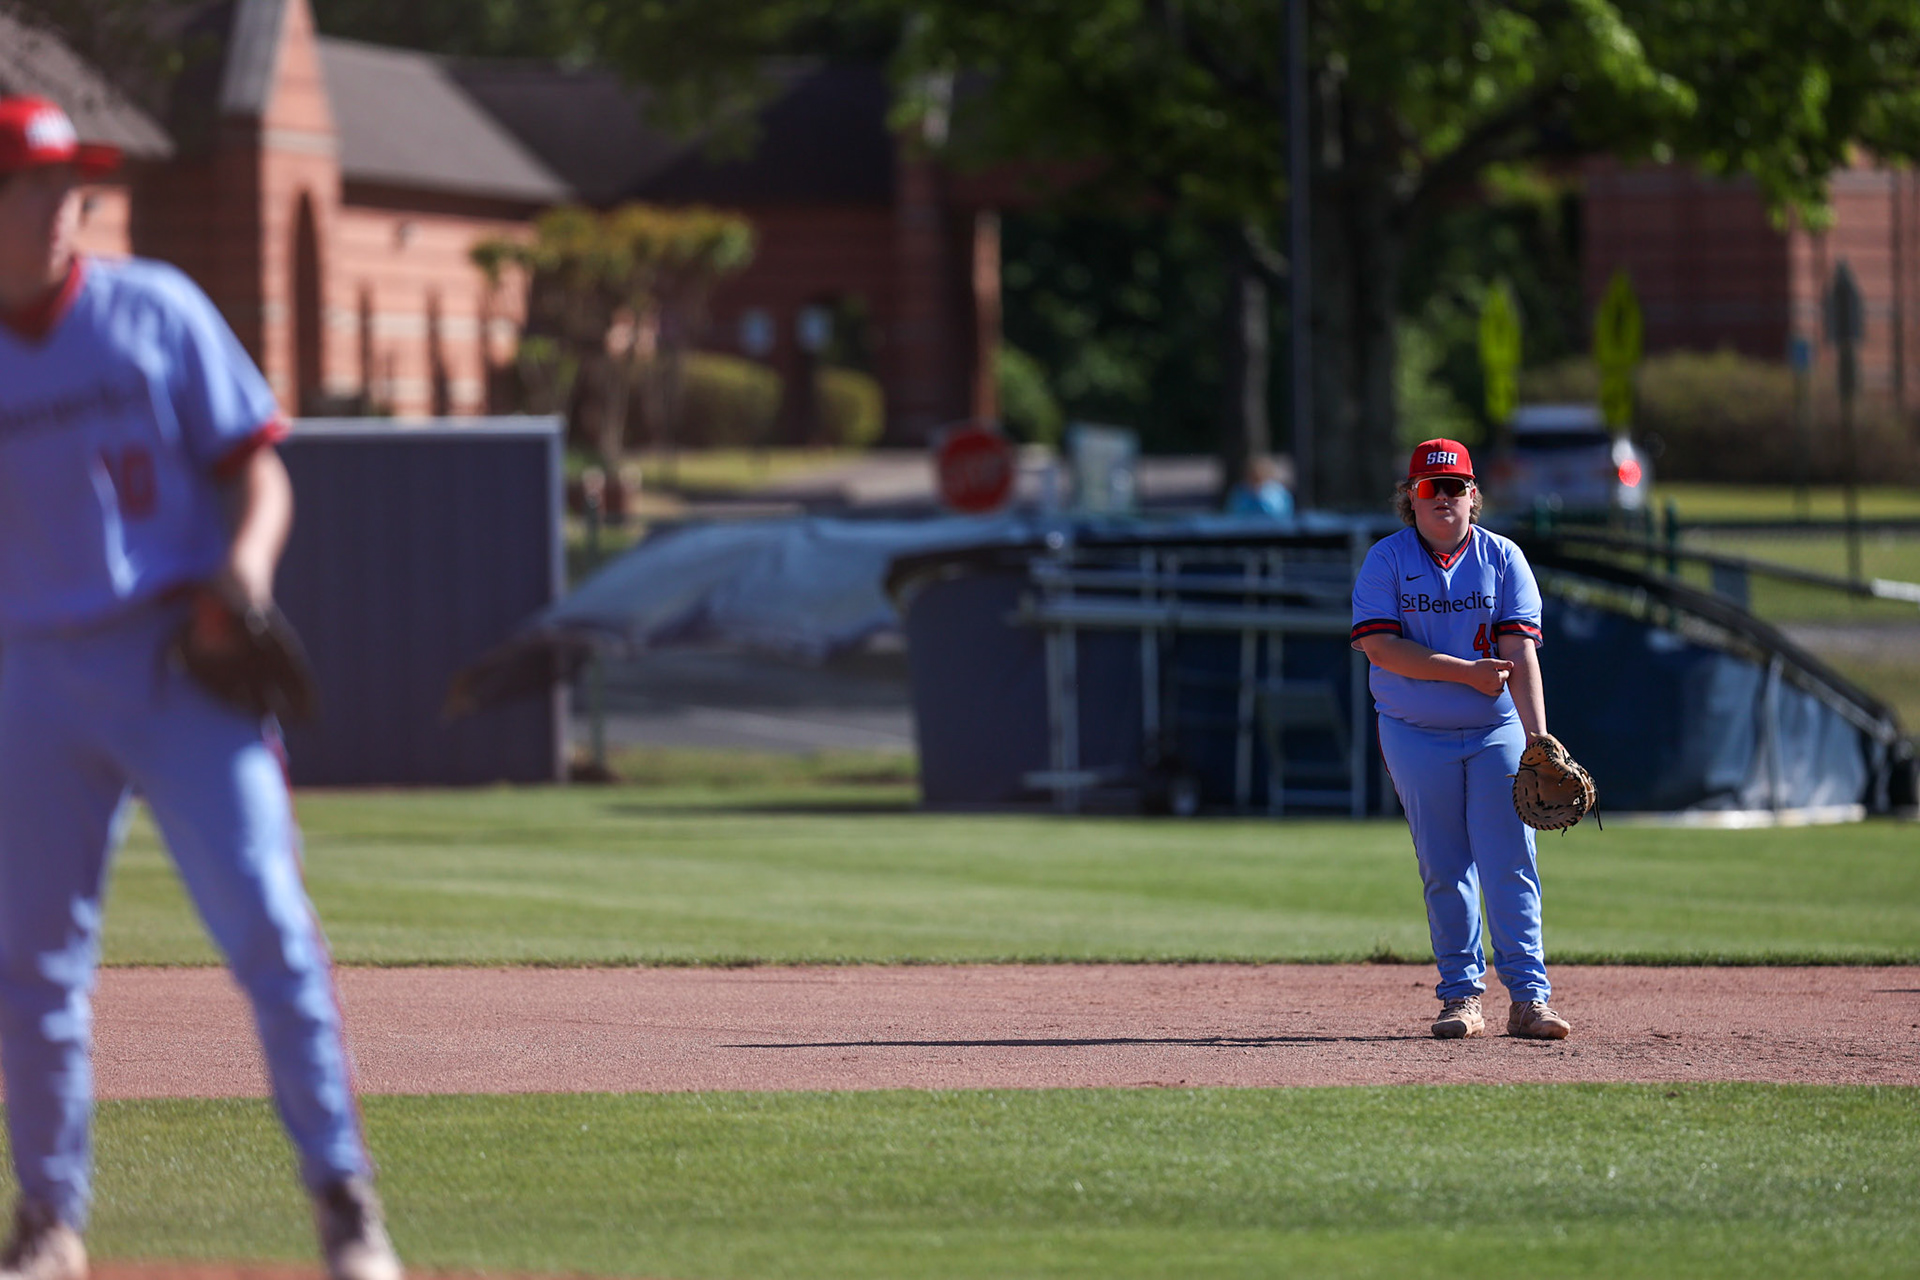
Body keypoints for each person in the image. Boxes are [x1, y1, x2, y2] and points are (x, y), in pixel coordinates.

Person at [0, 96, 401, 1280]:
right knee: (33, 962)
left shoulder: (156, 307)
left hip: (180, 654)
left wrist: (245, 570)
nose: (60, 204)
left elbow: (259, 472)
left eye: (68, 183)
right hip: (31, 673)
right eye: (31, 183)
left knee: (269, 923)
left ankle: (345, 1203)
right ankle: (50, 1219)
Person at [1348, 438, 1572, 1041]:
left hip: (1496, 730)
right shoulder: (1387, 560)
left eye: (1455, 486)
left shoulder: (1502, 557)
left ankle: (1529, 999)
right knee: (1445, 865)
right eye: (1430, 487)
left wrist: (1538, 739)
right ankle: (1461, 997)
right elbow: (1380, 647)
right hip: (1415, 732)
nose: (1443, 496)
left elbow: (1520, 651)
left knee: (1510, 862)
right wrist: (1465, 673)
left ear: (1473, 495)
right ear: (1411, 498)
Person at [1223, 454, 1295, 518]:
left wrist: (1262, 497)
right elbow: (1233, 515)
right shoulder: (1239, 493)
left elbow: (1281, 516)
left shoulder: (1278, 493)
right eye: (1253, 474)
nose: (1257, 476)